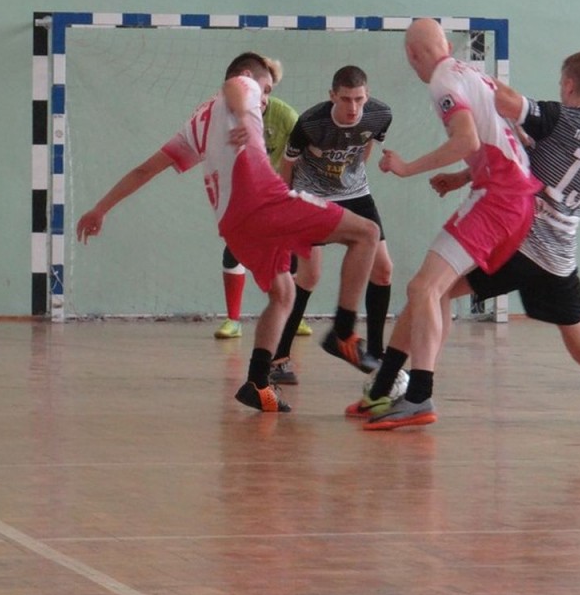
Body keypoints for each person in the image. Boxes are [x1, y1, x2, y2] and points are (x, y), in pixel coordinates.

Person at [352, 50, 580, 428]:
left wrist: (463, 71)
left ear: (569, 85)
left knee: (430, 291)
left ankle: (404, 389)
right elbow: (567, 188)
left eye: (561, 84)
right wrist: (462, 178)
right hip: (561, 261)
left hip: (521, 243)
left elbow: (506, 101)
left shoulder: (560, 117)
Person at [75, 52, 380, 412]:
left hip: (234, 226)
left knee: (283, 293)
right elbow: (236, 87)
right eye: (266, 89)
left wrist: (101, 208)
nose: (264, 99)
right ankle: (343, 333)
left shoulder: (197, 123)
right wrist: (245, 115)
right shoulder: (242, 88)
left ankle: (257, 383)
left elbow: (146, 170)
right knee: (367, 232)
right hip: (263, 200)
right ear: (249, 76)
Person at [361, 18, 543, 429]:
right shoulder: (476, 74)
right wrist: (463, 177)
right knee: (432, 292)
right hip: (516, 200)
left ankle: (419, 397)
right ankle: (383, 388)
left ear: (413, 54)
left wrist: (407, 167)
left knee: (423, 288)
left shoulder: (442, 82)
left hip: (500, 199)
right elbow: (511, 139)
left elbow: (467, 141)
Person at [269, 66, 395, 385]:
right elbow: (288, 164)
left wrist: (350, 177)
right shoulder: (310, 123)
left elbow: (366, 146)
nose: (353, 107)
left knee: (384, 270)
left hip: (356, 193)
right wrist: (287, 204)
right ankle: (279, 358)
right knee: (309, 276)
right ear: (332, 96)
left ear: (367, 96)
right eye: (346, 99)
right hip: (313, 195)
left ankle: (376, 354)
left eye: (359, 99)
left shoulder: (380, 115)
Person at [215, 89, 312, 340]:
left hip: (280, 189)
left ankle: (293, 316)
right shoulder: (225, 118)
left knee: (291, 249)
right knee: (234, 250)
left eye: (265, 90)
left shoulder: (286, 116)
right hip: (244, 193)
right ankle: (233, 320)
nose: (261, 98)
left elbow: (304, 153)